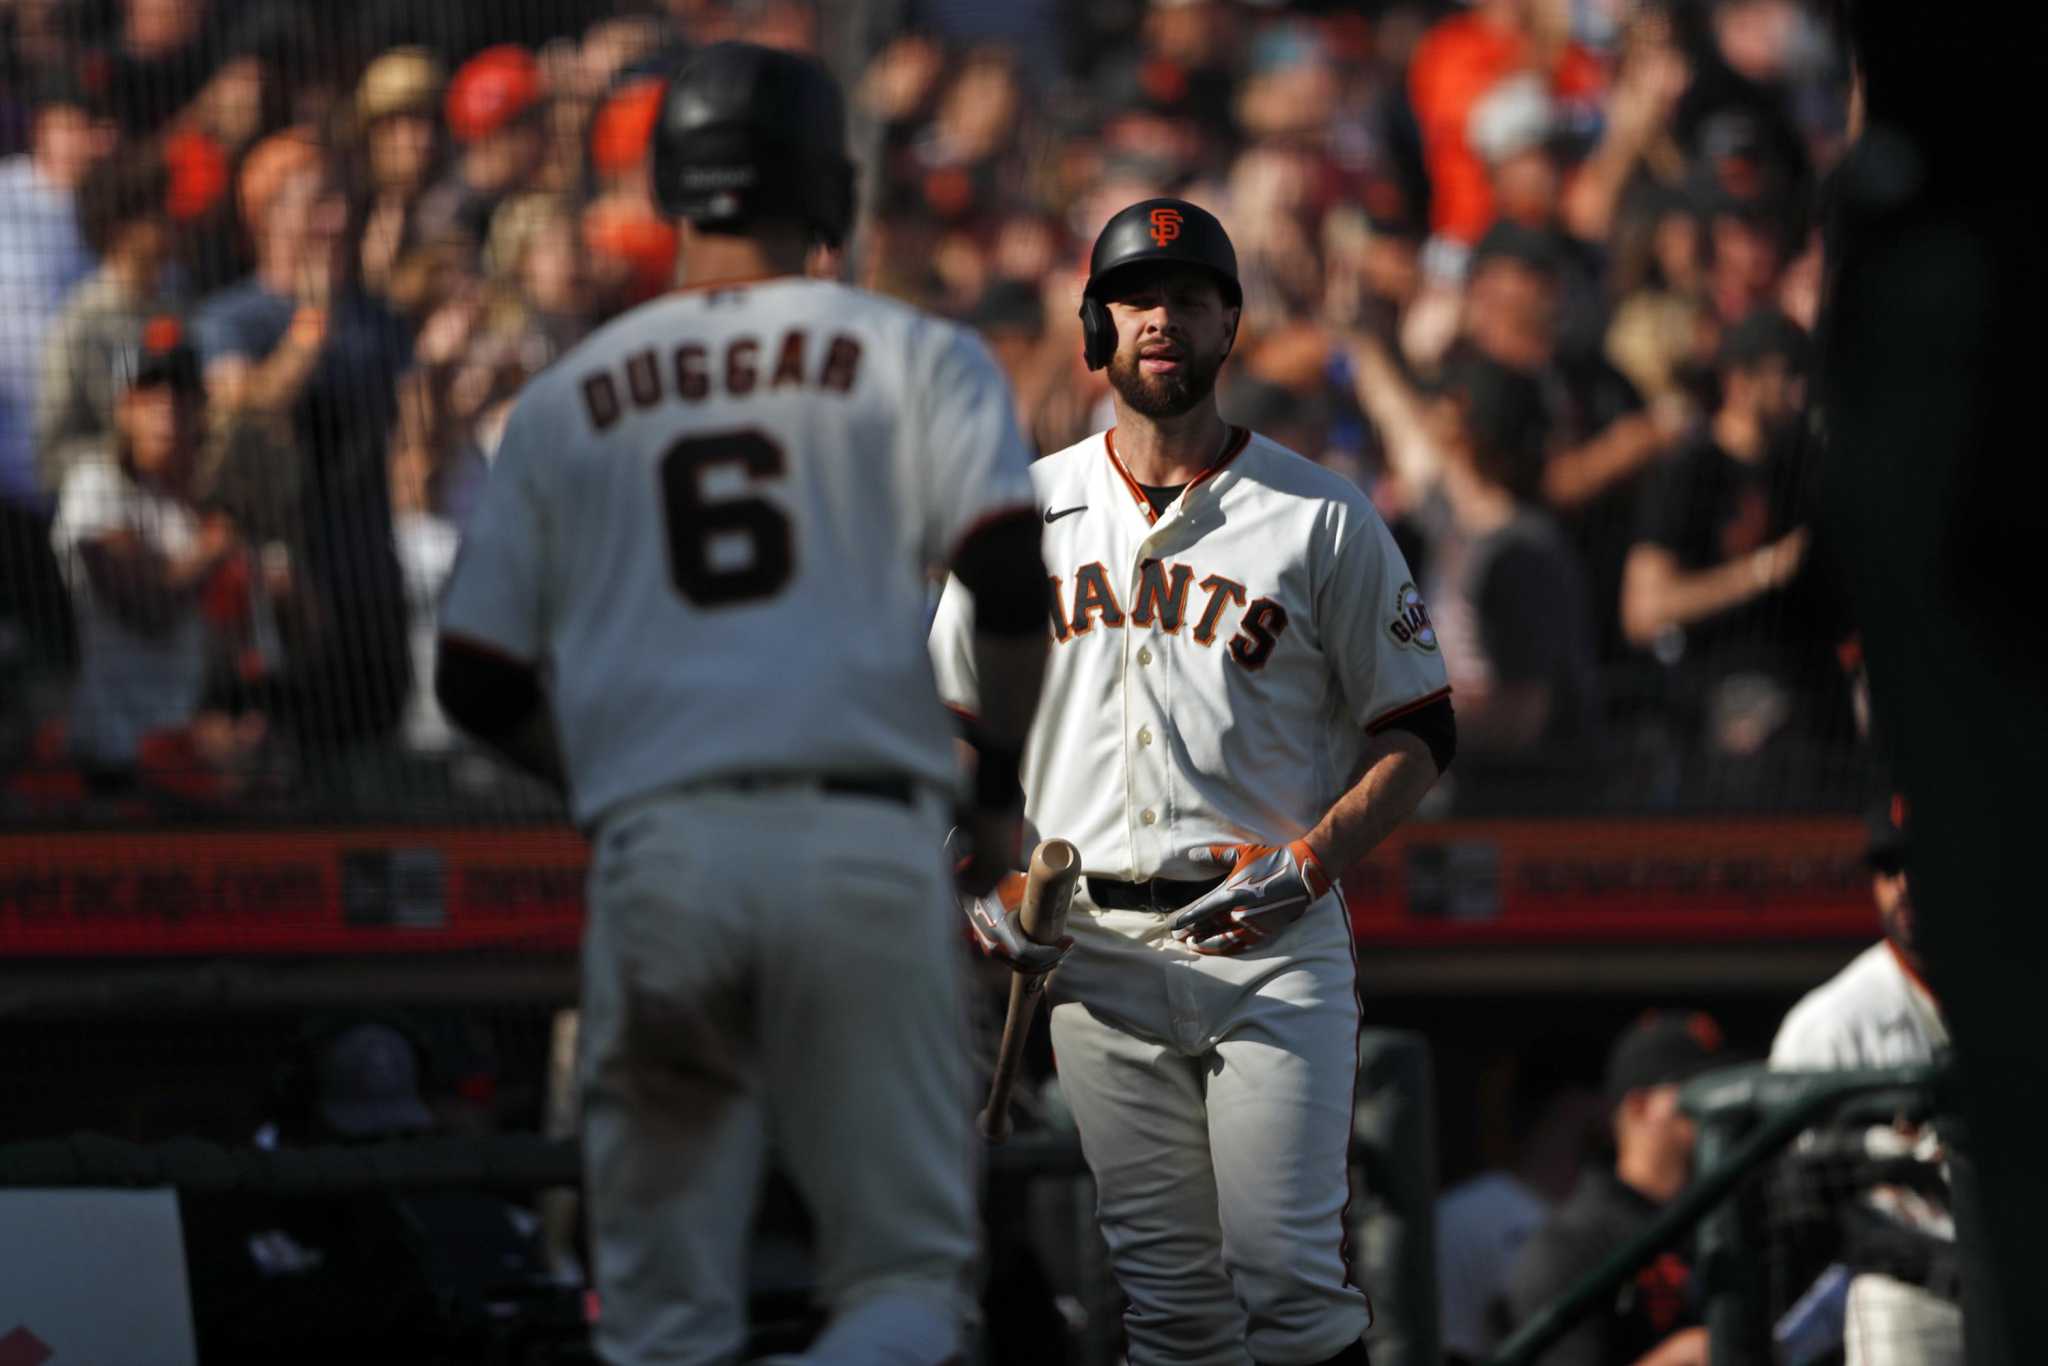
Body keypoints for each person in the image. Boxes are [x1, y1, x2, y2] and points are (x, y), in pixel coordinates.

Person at [434, 41, 1049, 1366]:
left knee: (659, 1318)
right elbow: (1007, 576)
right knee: (907, 1285)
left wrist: (609, 776)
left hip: (662, 851)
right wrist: (996, 792)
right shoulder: (916, 352)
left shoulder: (563, 401)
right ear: (827, 187)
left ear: (670, 185)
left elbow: (472, 680)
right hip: (863, 842)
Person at [932, 197, 1457, 1366]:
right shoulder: (1023, 514)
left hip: (1266, 939)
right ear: (1092, 327)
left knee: (1285, 1280)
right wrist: (971, 887)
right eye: (1134, 297)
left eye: (1186, 297)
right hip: (1089, 949)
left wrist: (1312, 863)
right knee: (1170, 1313)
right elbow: (949, 731)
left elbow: (1419, 729)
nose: (1158, 318)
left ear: (1229, 327)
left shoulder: (1319, 513)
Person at [1770, 799, 1959, 1366]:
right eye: (1885, 869)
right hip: (1901, 1296)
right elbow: (1798, 1206)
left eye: (1918, 863)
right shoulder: (1830, 1022)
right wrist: (1920, 1260)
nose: (1901, 885)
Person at [1621, 308, 1840, 783]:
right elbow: (1644, 611)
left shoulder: (1805, 464)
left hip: (1814, 681)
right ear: (1741, 381)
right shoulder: (1689, 471)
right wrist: (1763, 571)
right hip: (1723, 689)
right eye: (1787, 374)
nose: (1799, 392)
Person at [48, 320, 261, 782]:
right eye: (148, 393)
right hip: (108, 761)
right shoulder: (96, 486)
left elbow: (239, 645)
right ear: (123, 407)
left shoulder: (199, 509)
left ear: (200, 408)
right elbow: (149, 606)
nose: (166, 409)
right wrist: (215, 548)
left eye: (180, 394)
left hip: (187, 753)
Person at [1503, 1012, 1726, 1366]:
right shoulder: (1572, 1243)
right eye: (1699, 1090)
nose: (1720, 1106)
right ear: (1639, 1106)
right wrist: (1677, 1359)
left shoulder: (1723, 1221)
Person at [33, 148, 183, 493]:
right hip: (116, 511)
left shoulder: (181, 302)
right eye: (155, 213)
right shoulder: (80, 323)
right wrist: (124, 452)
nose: (170, 221)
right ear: (119, 229)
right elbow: (50, 458)